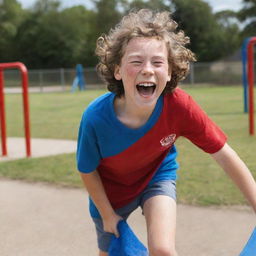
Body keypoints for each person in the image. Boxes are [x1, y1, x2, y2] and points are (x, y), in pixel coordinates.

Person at [76, 9, 256, 256]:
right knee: (111, 251)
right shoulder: (95, 118)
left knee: (163, 250)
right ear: (117, 70)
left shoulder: (179, 106)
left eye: (158, 62)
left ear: (170, 71)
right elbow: (87, 170)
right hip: (110, 194)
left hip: (155, 179)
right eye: (136, 61)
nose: (148, 69)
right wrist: (107, 215)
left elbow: (223, 154)